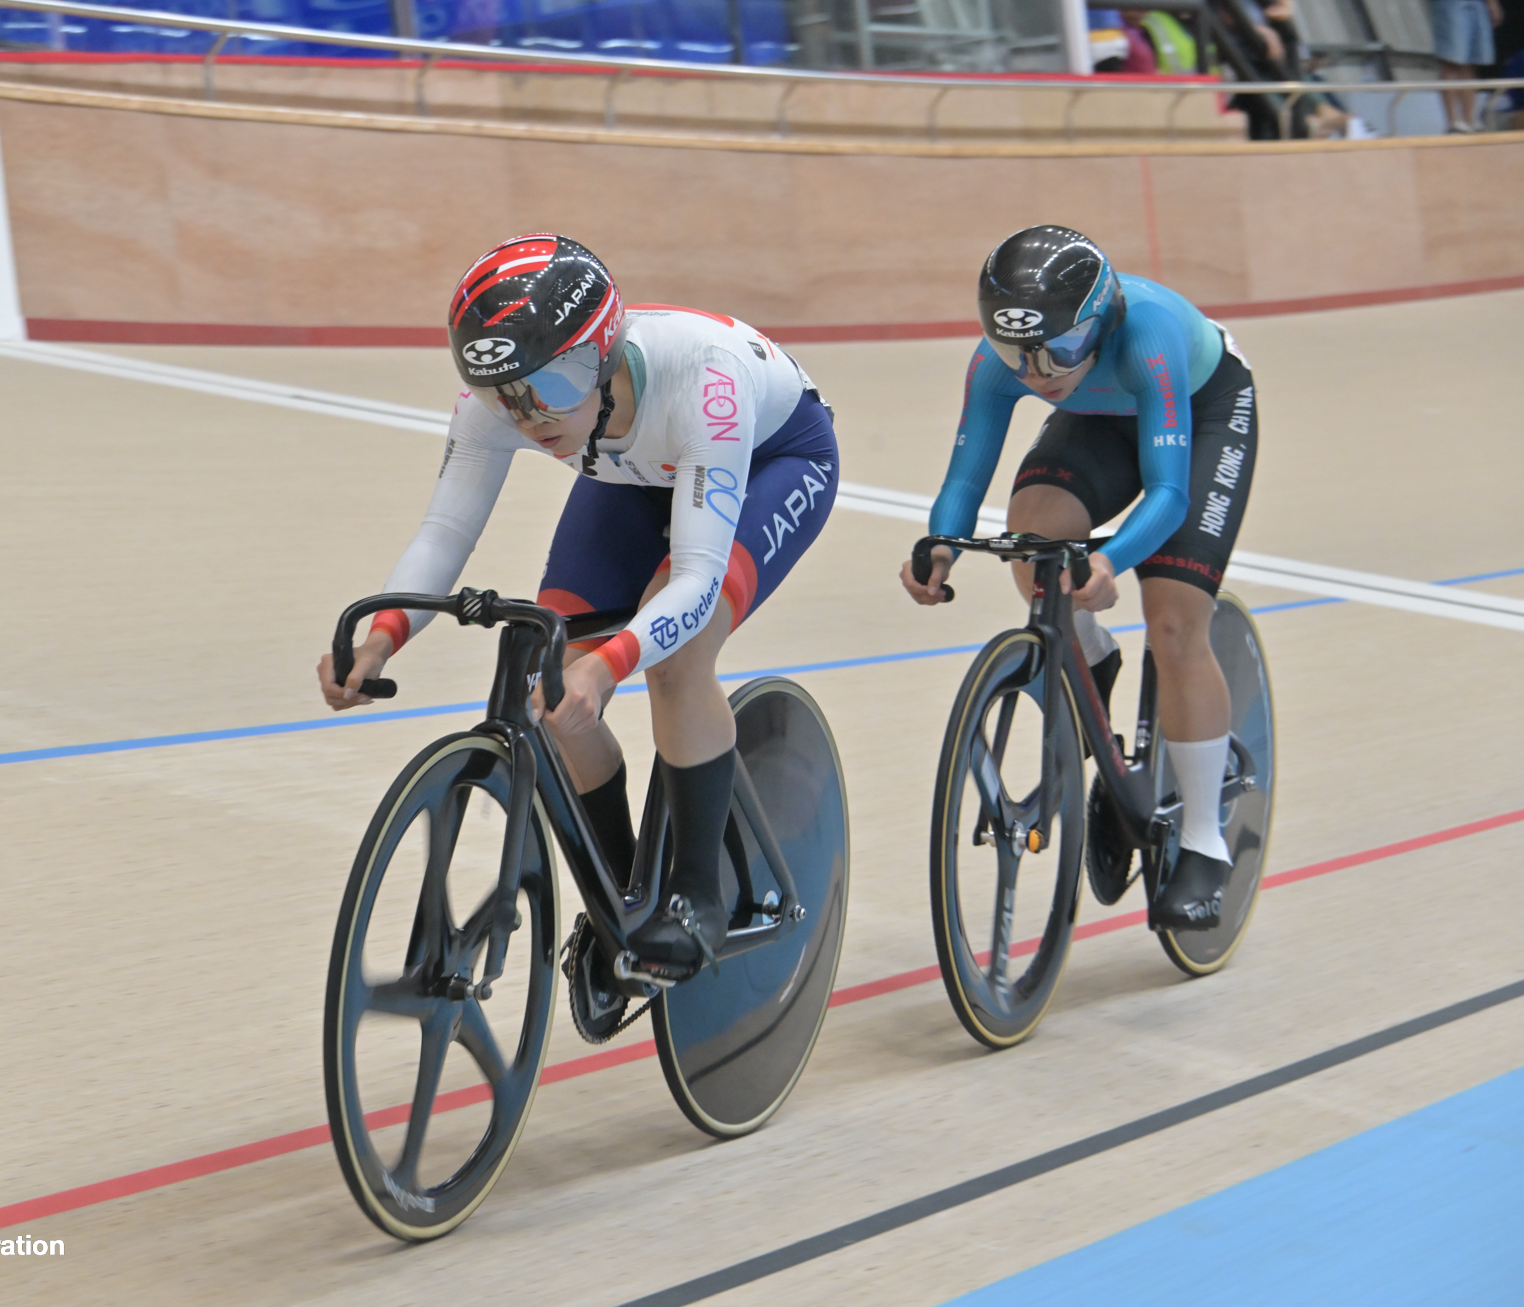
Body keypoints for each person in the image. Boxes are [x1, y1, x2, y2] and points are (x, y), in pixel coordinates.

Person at [318, 234, 838, 977]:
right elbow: (446, 530)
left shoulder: (704, 380)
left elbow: (693, 581)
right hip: (634, 465)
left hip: (769, 459)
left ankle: (696, 896)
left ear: (602, 352)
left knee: (675, 656)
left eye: (553, 385)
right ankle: (626, 902)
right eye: (508, 397)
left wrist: (614, 663)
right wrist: (381, 639)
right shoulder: (519, 396)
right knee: (554, 685)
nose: (530, 417)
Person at [900, 226, 1257, 931]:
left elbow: (1169, 494)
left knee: (1176, 620)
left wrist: (1110, 559)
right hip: (1101, 416)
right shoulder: (1012, 359)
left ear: (1100, 318)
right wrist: (940, 546)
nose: (1038, 374)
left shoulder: (1144, 334)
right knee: (1034, 529)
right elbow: (966, 477)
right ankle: (1093, 655)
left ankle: (1203, 841)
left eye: (1058, 351)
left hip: (1202, 408)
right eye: (1016, 356)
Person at [1433, 0, 1504, 130]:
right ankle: (1453, 122)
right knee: (1452, 62)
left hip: (1478, 4)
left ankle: (1469, 119)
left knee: (1471, 63)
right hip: (1452, 4)